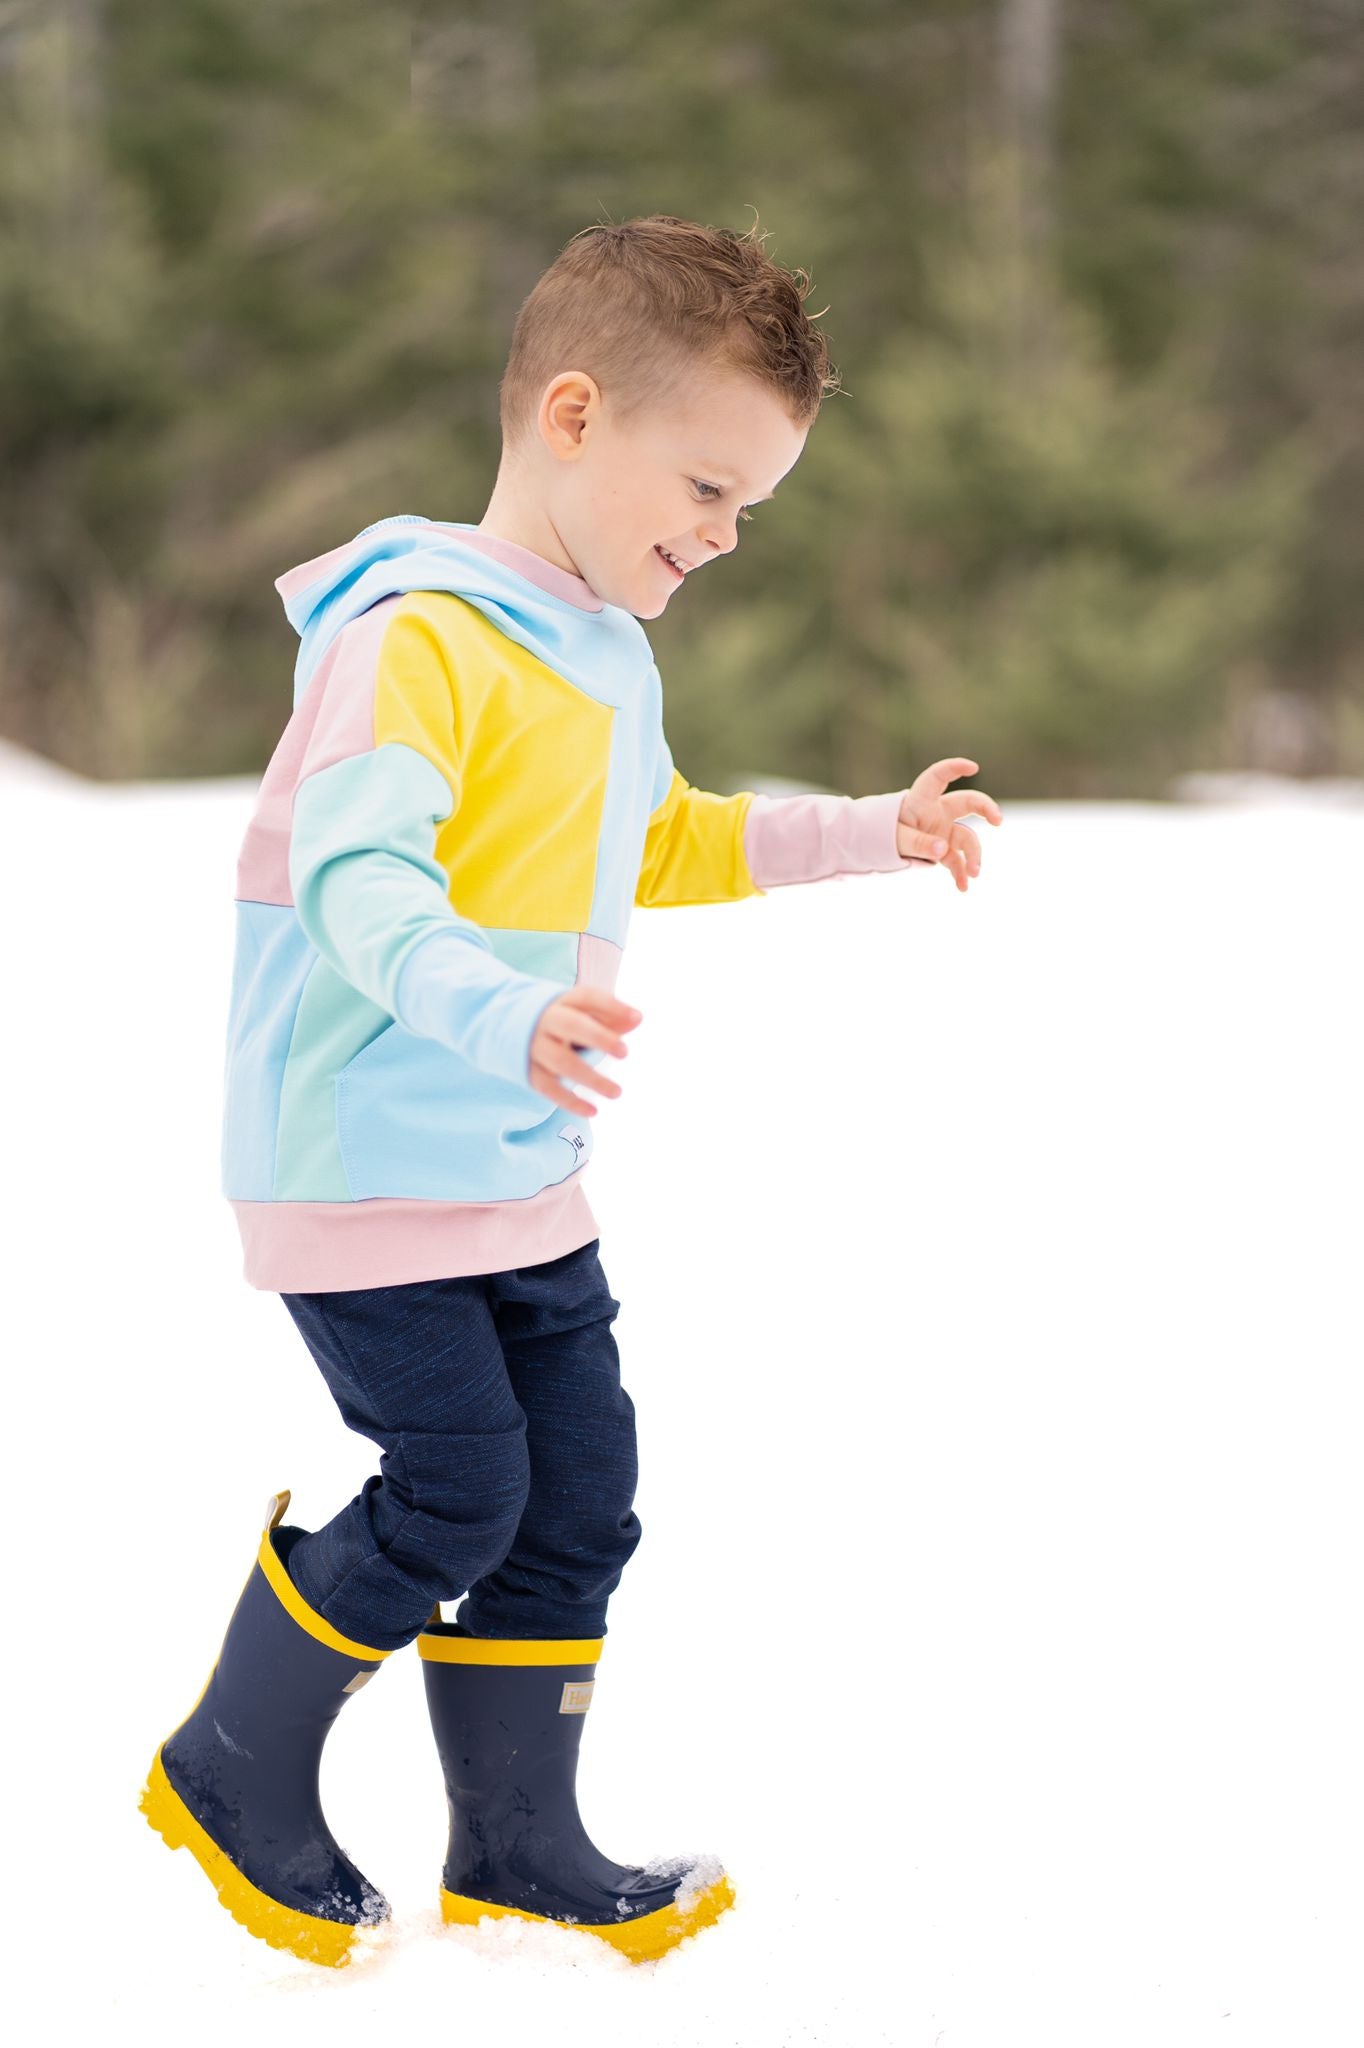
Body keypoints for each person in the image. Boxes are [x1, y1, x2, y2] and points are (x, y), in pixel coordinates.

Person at [140, 212, 1003, 1970]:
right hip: (362, 1162)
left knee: (581, 1489)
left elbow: (665, 836)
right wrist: (500, 1010)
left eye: (750, 510)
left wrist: (871, 834)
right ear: (577, 416)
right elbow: (358, 887)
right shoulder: (415, 638)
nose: (722, 537)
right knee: (456, 1488)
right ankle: (232, 1763)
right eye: (706, 489)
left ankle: (521, 1841)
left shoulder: (602, 648)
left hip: (514, 1163)